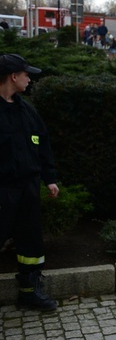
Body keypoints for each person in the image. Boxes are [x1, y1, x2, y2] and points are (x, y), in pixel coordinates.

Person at [0, 54, 59, 311]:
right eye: (26, 74)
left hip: (28, 188)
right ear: (13, 76)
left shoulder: (27, 110)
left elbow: (42, 144)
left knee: (30, 243)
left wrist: (50, 179)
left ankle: (29, 292)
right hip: (3, 190)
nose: (30, 78)